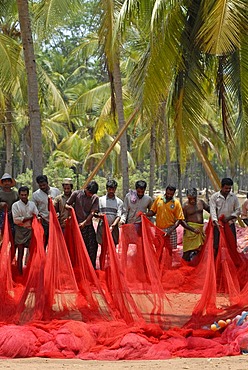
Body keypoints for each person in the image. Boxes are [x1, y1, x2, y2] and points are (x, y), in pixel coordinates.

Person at [144, 185, 199, 251]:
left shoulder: (176, 203)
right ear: (165, 191)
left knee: (170, 250)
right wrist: (145, 215)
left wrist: (171, 230)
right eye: (168, 193)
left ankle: (168, 261)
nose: (169, 195)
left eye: (171, 194)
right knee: (158, 248)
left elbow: (180, 219)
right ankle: (159, 261)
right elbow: (153, 211)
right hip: (159, 229)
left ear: (174, 193)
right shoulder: (159, 199)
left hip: (171, 229)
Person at [66, 180, 99, 269]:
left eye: (92, 194)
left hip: (87, 225)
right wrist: (71, 210)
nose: (90, 195)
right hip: (77, 226)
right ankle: (80, 267)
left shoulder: (95, 198)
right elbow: (67, 204)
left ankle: (91, 267)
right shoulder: (77, 194)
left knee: (92, 247)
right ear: (86, 189)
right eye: (89, 193)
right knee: (79, 247)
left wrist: (84, 223)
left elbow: (92, 213)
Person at [209, 177, 241, 255]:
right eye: (226, 188)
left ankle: (231, 262)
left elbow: (238, 210)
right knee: (216, 244)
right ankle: (217, 262)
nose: (228, 190)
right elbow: (212, 211)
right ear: (221, 187)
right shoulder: (214, 197)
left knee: (231, 243)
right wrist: (216, 222)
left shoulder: (234, 197)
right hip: (218, 225)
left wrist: (229, 218)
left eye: (229, 188)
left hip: (230, 224)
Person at [12, 186, 39, 274]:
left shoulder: (32, 204)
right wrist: (29, 218)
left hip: (31, 230)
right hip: (20, 230)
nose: (24, 196)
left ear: (28, 195)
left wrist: (34, 218)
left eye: (25, 195)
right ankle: (20, 273)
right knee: (20, 252)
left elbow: (36, 215)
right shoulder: (15, 205)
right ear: (19, 195)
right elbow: (16, 220)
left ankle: (30, 273)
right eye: (22, 195)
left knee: (32, 252)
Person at [32, 175, 60, 247]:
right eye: (40, 185)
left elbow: (60, 204)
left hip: (55, 221)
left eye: (44, 185)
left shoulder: (56, 191)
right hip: (43, 222)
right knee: (43, 243)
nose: (42, 187)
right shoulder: (35, 195)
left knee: (54, 244)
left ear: (47, 183)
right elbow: (34, 209)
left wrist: (58, 214)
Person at [182, 188, 210, 261]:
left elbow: (209, 209)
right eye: (190, 199)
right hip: (190, 231)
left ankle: (196, 265)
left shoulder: (201, 203)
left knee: (200, 248)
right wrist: (192, 229)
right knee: (187, 251)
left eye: (194, 198)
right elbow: (182, 221)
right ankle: (184, 266)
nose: (192, 200)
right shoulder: (185, 206)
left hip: (200, 230)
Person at [96, 179, 123, 246]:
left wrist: (113, 226)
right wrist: (99, 215)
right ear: (106, 189)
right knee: (103, 245)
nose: (111, 191)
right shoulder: (100, 200)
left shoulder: (119, 202)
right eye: (109, 189)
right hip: (102, 227)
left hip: (114, 228)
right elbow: (95, 213)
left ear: (115, 189)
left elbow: (118, 216)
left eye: (113, 189)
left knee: (113, 246)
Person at [0, 173, 18, 237]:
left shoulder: (15, 193)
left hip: (13, 215)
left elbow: (19, 203)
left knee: (13, 232)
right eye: (4, 181)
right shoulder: (0, 193)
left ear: (11, 182)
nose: (6, 183)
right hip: (2, 216)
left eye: (8, 181)